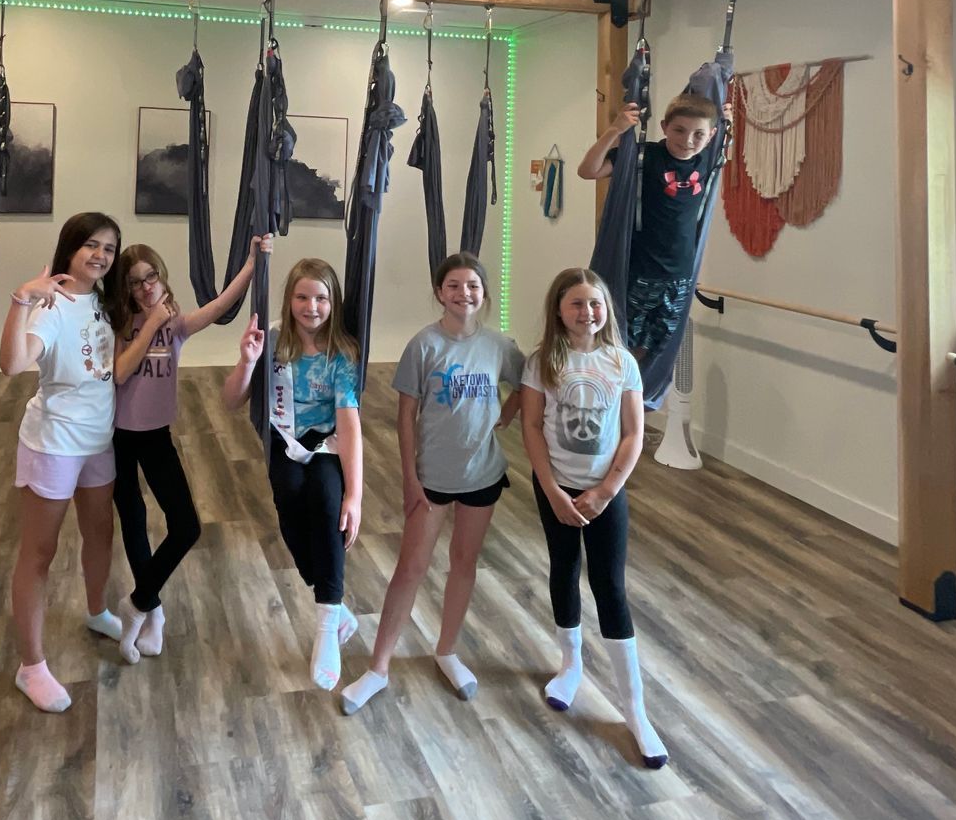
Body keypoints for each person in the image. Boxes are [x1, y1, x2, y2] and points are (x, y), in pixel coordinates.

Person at [340, 252, 523, 715]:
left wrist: (509, 412)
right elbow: (405, 419)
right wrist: (410, 479)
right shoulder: (424, 346)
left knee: (464, 562)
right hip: (432, 479)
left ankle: (447, 650)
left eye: (474, 287)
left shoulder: (499, 346)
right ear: (440, 293)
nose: (465, 294)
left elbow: (527, 381)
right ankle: (378, 667)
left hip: (483, 474)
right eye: (455, 286)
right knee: (411, 567)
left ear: (483, 294)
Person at [512, 267, 668, 768]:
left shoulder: (622, 363)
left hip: (605, 491)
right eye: (576, 304)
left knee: (609, 585)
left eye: (595, 303)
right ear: (559, 310)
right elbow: (532, 427)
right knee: (563, 569)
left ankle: (634, 708)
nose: (587, 312)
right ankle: (570, 664)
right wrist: (553, 490)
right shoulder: (543, 363)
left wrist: (605, 491)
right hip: (556, 487)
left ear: (606, 310)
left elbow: (633, 434)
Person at [107, 234, 270, 663]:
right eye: (136, 282)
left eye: (152, 278)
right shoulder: (120, 326)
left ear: (162, 279)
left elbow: (217, 307)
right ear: (125, 289)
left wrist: (252, 266)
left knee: (186, 527)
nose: (145, 288)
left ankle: (138, 601)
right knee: (134, 520)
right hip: (118, 437)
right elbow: (121, 374)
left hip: (156, 435)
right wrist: (151, 323)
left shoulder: (176, 325)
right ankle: (154, 613)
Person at [0, 211, 126, 713]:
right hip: (54, 443)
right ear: (70, 248)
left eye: (109, 249)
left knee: (100, 532)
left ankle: (97, 610)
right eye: (91, 245)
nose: (100, 255)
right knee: (39, 553)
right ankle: (30, 667)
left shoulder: (104, 301)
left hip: (99, 440)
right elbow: (11, 365)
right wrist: (20, 299)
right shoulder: (50, 305)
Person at [222, 257, 364, 692]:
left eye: (321, 297)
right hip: (285, 438)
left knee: (326, 501)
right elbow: (231, 401)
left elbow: (349, 424)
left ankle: (326, 621)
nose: (312, 306)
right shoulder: (276, 344)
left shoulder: (342, 354)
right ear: (289, 300)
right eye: (302, 296)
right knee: (288, 497)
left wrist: (355, 495)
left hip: (326, 442)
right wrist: (247, 361)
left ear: (333, 302)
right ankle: (336, 610)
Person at [577, 93, 721, 361]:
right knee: (619, 341)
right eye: (679, 130)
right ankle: (615, 396)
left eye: (698, 135)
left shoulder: (708, 161)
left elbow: (723, 133)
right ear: (665, 126)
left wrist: (728, 116)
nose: (688, 141)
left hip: (680, 277)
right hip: (641, 272)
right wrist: (614, 130)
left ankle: (635, 398)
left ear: (711, 135)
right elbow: (588, 170)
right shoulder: (645, 156)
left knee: (653, 349)